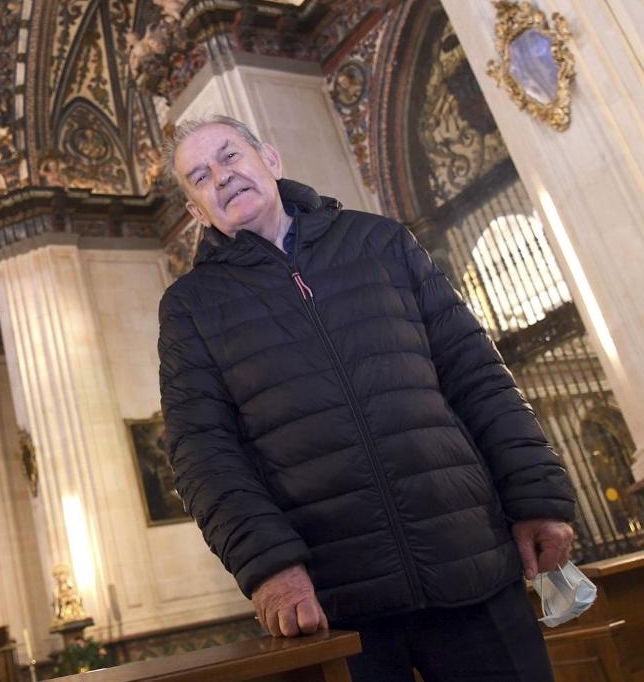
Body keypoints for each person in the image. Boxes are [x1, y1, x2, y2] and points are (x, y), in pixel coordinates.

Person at [157, 115, 576, 681]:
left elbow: (476, 375)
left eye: (230, 157)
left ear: (271, 160)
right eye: (200, 177)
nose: (222, 178)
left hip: (471, 563)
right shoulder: (191, 308)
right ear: (195, 212)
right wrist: (270, 568)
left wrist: (535, 495)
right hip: (337, 604)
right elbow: (204, 456)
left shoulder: (381, 242)